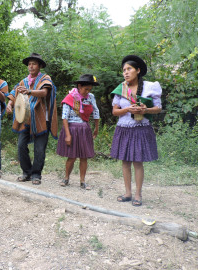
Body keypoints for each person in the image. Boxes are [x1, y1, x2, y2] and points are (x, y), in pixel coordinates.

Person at [111, 55, 162, 207]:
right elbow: (114, 111)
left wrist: (146, 109)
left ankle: (138, 194)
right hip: (124, 129)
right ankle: (128, 193)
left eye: (129, 69)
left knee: (137, 162)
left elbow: (158, 109)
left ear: (138, 70)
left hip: (141, 128)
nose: (126, 72)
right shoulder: (121, 88)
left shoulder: (149, 87)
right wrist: (127, 108)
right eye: (124, 70)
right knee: (125, 161)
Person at [6, 53, 58, 185]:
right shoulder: (23, 81)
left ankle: (36, 174)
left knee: (39, 149)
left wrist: (29, 91)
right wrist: (9, 104)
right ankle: (26, 172)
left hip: (42, 119)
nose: (31, 66)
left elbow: (44, 93)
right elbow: (14, 93)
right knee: (21, 146)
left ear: (40, 66)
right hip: (26, 118)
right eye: (29, 64)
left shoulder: (45, 78)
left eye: (34, 64)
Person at [56, 74, 100, 189]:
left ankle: (82, 181)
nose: (87, 92)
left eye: (90, 89)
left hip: (84, 129)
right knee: (72, 156)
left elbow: (96, 111)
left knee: (84, 156)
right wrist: (67, 135)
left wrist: (96, 127)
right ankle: (66, 178)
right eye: (86, 89)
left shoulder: (90, 97)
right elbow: (64, 117)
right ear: (79, 86)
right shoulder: (70, 98)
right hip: (72, 129)